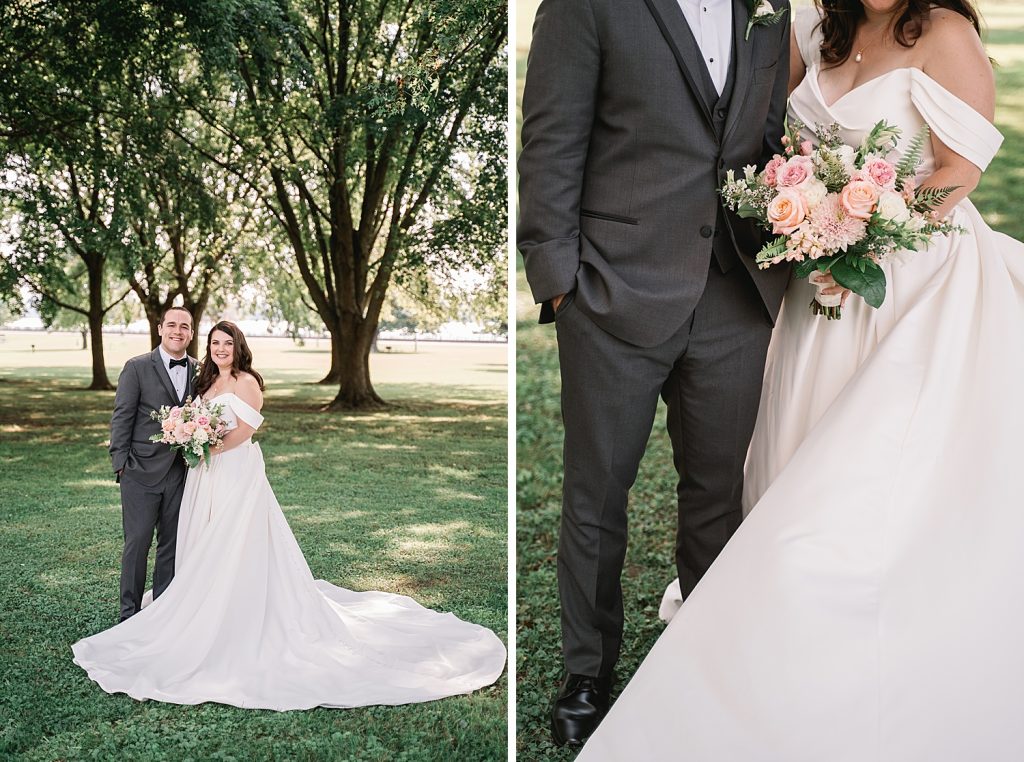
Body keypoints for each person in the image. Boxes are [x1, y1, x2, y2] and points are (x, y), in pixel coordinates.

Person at [576, 1, 1024, 758]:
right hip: (815, 289)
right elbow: (758, 132)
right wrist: (811, 221)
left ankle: (863, 613)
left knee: (871, 477)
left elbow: (959, 171)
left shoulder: (944, 32)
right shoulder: (813, 27)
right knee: (792, 459)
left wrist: (873, 233)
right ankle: (773, 613)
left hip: (912, 290)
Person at [517, 0, 792, 747]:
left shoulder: (769, 7)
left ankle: (704, 661)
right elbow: (550, 140)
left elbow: (766, 141)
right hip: (613, 292)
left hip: (735, 292)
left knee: (718, 495)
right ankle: (585, 673)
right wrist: (559, 282)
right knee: (598, 494)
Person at [73, 321, 506, 710]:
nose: (220, 349)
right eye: (215, 343)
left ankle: (232, 612)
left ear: (239, 347)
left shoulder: (247, 383)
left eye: (227, 343)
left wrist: (202, 445)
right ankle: (164, 606)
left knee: (232, 541)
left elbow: (245, 430)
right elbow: (147, 415)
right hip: (201, 475)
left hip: (233, 473)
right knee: (192, 541)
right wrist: (188, 441)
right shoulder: (202, 379)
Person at [109, 306, 196, 622]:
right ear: (160, 329)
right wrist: (121, 464)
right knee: (137, 544)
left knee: (171, 547)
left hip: (181, 473)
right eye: (171, 325)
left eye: (184, 326)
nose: (177, 331)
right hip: (140, 473)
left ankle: (162, 612)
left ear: (191, 332)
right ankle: (128, 613)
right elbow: (122, 417)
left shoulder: (200, 371)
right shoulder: (137, 367)